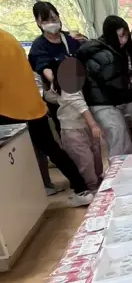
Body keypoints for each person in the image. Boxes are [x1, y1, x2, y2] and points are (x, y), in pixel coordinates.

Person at [0, 27, 92, 206]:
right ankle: (81, 188)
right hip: (34, 105)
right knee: (52, 149)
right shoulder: (8, 37)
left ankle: (28, 199)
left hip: (9, 110)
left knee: (19, 155)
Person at [77, 15, 132, 158]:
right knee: (119, 136)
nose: (123, 40)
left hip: (112, 99)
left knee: (128, 130)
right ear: (110, 35)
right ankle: (119, 174)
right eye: (120, 36)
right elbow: (117, 89)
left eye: (125, 36)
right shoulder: (103, 54)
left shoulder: (117, 50)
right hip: (102, 103)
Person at [48, 57, 104, 192]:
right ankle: (92, 188)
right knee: (85, 161)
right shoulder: (66, 85)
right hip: (72, 128)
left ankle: (98, 183)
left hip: (84, 126)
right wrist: (93, 125)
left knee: (95, 157)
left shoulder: (76, 83)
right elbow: (80, 105)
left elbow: (51, 96)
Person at [27, 1, 84, 129]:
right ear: (38, 22)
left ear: (58, 17)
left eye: (53, 18)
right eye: (45, 21)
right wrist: (58, 82)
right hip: (62, 99)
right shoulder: (39, 45)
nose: (51, 23)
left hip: (82, 92)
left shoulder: (71, 39)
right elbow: (44, 68)